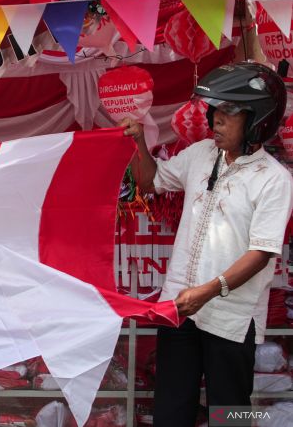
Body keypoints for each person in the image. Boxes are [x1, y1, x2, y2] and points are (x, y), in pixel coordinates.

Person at [119, 62, 293, 427]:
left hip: (230, 317)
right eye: (215, 110)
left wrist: (208, 292)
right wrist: (138, 141)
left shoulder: (274, 180)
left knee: (230, 412)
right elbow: (150, 182)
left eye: (228, 112)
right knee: (170, 409)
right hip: (179, 308)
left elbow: (261, 253)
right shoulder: (200, 154)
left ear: (258, 119)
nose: (215, 119)